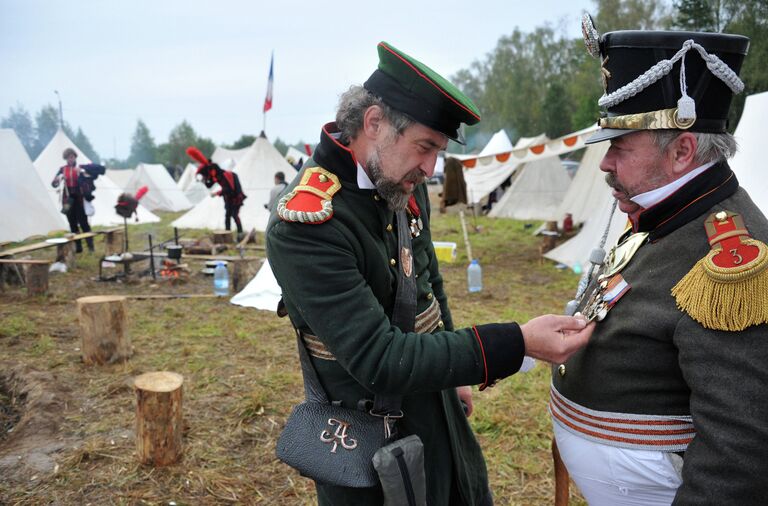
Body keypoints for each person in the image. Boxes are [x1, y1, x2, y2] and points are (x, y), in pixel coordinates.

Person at [266, 41, 595, 506]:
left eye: (438, 151)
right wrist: (515, 342)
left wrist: (455, 375)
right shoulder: (307, 223)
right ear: (374, 122)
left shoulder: (397, 182)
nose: (430, 168)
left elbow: (427, 287)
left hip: (435, 400)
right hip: (366, 438)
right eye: (424, 147)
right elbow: (378, 359)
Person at [551, 19, 768, 505]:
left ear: (683, 151)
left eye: (619, 147)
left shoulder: (733, 260)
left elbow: (742, 449)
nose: (605, 164)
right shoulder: (666, 213)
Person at [51, 147, 94, 253]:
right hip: (67, 200)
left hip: (79, 198)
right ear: (65, 159)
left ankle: (90, 247)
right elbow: (54, 184)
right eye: (68, 157)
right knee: (72, 223)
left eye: (72, 157)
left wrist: (83, 175)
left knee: (83, 223)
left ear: (75, 157)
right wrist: (57, 180)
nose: (70, 159)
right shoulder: (62, 169)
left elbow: (89, 181)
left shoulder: (80, 168)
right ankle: (78, 247)